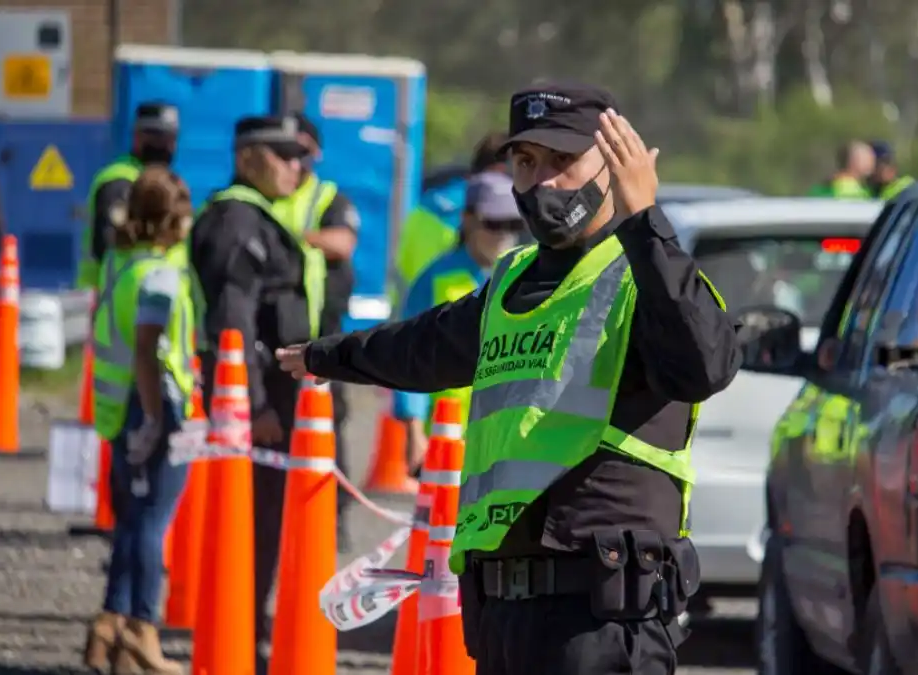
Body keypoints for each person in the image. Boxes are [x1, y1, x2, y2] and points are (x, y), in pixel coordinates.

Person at [278, 83, 743, 674]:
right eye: (526, 162)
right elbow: (423, 346)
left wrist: (647, 220)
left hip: (599, 619)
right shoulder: (511, 280)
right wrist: (327, 357)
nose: (543, 180)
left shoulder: (642, 273)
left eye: (562, 162)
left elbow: (705, 364)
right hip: (501, 616)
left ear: (613, 164)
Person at [188, 116, 309, 674]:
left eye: (299, 156)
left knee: (266, 523)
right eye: (283, 154)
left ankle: (249, 628)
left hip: (273, 401)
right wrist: (255, 405)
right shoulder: (236, 220)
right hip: (256, 408)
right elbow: (233, 322)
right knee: (252, 525)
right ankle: (241, 639)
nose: (296, 166)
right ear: (247, 158)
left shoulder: (255, 218)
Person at [82, 167, 196, 675]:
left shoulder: (117, 263)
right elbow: (148, 351)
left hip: (119, 406)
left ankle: (110, 625)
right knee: (154, 521)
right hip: (154, 406)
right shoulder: (162, 274)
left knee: (132, 518)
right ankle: (142, 629)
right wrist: (154, 418)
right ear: (173, 219)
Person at [393, 172, 525, 470]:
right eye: (493, 224)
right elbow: (410, 356)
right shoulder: (434, 280)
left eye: (513, 224)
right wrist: (414, 431)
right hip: (446, 441)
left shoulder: (529, 276)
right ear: (467, 219)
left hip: (508, 443)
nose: (503, 234)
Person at [274, 112, 362, 547]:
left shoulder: (328, 197)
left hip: (324, 335)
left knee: (329, 422)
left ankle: (334, 515)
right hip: (276, 334)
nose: (296, 160)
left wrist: (292, 238)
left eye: (302, 150)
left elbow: (342, 242)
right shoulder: (266, 195)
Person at [78, 102, 181, 290]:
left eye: (169, 139)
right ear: (137, 137)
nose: (163, 146)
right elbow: (107, 244)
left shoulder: (165, 183)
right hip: (112, 291)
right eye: (156, 138)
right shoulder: (120, 181)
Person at [394, 131, 509, 293]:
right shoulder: (448, 212)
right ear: (498, 172)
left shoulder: (437, 202)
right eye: (523, 167)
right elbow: (432, 289)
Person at [807, 140, 875, 199]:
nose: (873, 162)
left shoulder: (818, 189)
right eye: (868, 158)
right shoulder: (856, 194)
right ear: (854, 161)